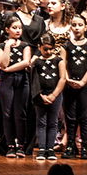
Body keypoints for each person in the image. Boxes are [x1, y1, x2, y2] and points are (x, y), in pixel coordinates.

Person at [61, 14, 87, 159]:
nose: (77, 28)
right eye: (74, 25)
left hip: (85, 85)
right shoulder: (66, 45)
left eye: (80, 25)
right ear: (71, 27)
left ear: (85, 27)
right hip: (70, 84)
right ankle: (70, 145)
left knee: (85, 116)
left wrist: (83, 82)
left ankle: (85, 147)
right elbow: (63, 63)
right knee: (70, 116)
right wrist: (68, 79)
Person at [0, 17, 31, 158]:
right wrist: (8, 46)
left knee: (20, 114)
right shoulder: (1, 46)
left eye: (19, 28)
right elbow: (3, 63)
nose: (18, 30)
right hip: (6, 81)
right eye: (14, 28)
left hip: (21, 79)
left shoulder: (25, 45)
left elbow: (26, 62)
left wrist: (8, 70)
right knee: (7, 113)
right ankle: (10, 146)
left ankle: (21, 145)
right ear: (7, 30)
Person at [30, 33, 66, 161]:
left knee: (53, 122)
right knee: (41, 122)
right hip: (40, 95)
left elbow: (62, 79)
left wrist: (54, 95)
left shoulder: (58, 61)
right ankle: (42, 149)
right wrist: (40, 96)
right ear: (39, 47)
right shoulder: (36, 62)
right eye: (45, 49)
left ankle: (50, 149)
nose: (48, 51)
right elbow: (34, 80)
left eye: (51, 48)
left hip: (55, 95)